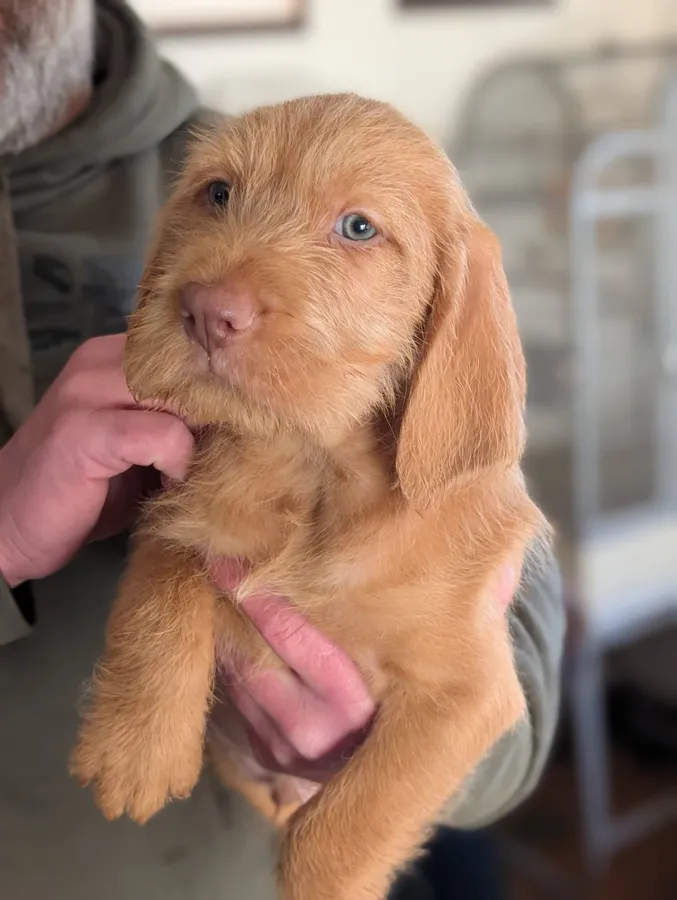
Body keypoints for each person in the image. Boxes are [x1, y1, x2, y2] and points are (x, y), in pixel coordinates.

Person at [0, 2, 566, 898]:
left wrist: (382, 774)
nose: (220, 289)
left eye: (355, 230)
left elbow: (505, 685)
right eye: (218, 199)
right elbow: (186, 547)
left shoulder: (210, 146)